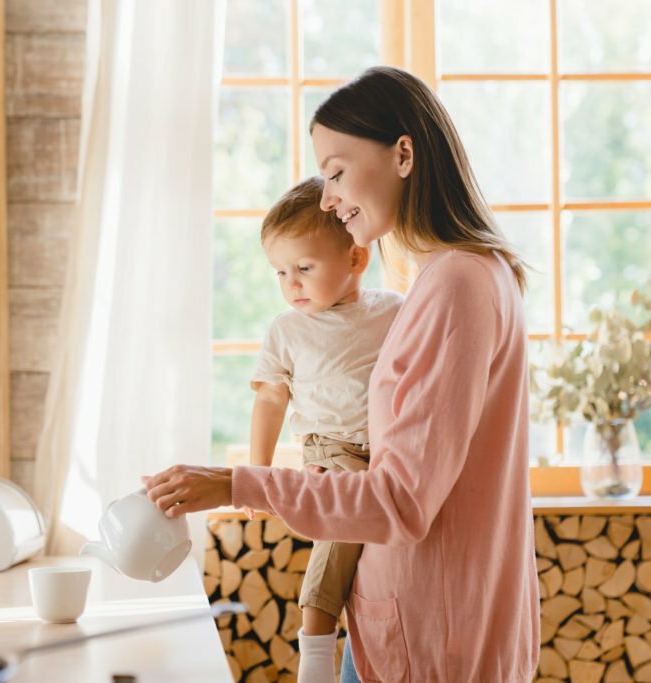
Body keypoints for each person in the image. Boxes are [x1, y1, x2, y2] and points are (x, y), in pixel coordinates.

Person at [143, 65, 540, 682]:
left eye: (335, 172)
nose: (326, 198)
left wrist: (238, 484)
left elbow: (399, 501)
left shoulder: (457, 284)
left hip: (433, 642)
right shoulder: (452, 277)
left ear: (403, 154)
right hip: (416, 626)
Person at [247, 176, 403, 683]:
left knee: (383, 555)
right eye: (280, 272)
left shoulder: (393, 311)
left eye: (304, 268)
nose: (290, 283)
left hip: (390, 452)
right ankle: (315, 650)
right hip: (332, 450)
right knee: (343, 528)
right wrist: (257, 470)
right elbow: (271, 399)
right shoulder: (287, 330)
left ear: (356, 259)